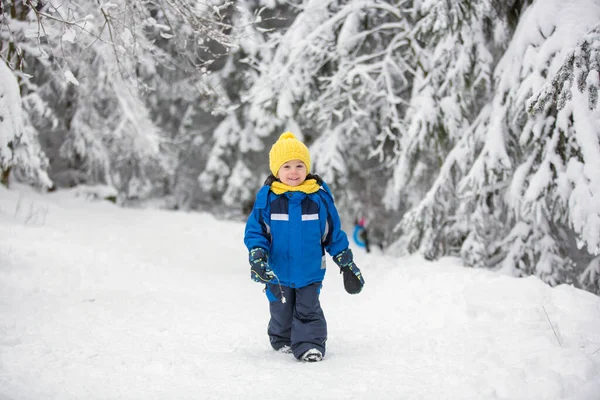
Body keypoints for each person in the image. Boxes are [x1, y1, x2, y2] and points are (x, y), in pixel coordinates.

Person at [244, 132, 365, 362]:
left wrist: (346, 263)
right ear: (276, 170)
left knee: (308, 309)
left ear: (307, 168)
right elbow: (256, 231)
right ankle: (283, 339)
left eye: (299, 165)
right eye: (287, 166)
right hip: (277, 272)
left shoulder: (318, 199)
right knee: (281, 311)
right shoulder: (268, 199)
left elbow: (332, 234)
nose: (293, 172)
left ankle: (310, 344)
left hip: (310, 270)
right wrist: (258, 255)